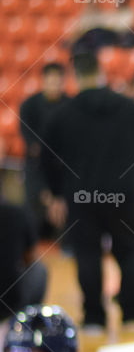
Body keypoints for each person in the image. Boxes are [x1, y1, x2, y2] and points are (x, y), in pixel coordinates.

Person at [41, 52, 134, 329]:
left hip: (82, 195)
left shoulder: (63, 113)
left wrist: (55, 193)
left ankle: (94, 318)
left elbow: (45, 157)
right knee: (131, 252)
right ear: (101, 73)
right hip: (125, 193)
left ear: (75, 77)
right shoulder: (130, 108)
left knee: (87, 254)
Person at [19, 62, 70, 236]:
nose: (54, 85)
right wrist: (46, 191)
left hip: (65, 168)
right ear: (43, 81)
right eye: (51, 81)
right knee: (33, 215)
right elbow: (35, 150)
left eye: (58, 81)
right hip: (36, 170)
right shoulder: (29, 106)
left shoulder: (71, 106)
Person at [0, 196, 47, 320]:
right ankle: (29, 321)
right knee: (39, 270)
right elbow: (31, 256)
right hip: (11, 302)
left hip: (9, 301)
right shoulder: (18, 213)